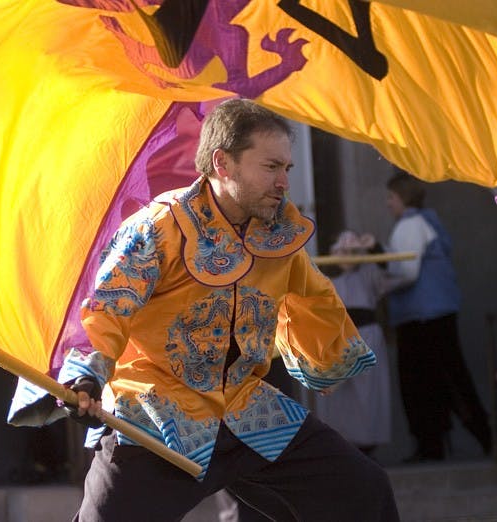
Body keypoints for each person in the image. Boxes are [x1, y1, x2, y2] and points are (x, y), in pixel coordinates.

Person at [63, 99, 399, 521]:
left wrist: (327, 359)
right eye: (271, 167)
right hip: (157, 415)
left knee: (363, 491)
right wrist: (87, 374)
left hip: (247, 411)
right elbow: (108, 305)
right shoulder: (158, 228)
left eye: (287, 170)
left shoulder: (278, 233)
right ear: (223, 164)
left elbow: (316, 296)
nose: (283, 183)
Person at [385, 171, 491, 462]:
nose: (387, 203)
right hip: (437, 312)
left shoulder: (409, 225)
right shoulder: (429, 222)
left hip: (421, 318)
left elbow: (406, 273)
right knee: (449, 378)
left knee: (420, 384)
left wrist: (378, 283)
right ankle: (479, 436)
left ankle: (433, 444)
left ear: (403, 197)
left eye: (391, 197)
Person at [314, 230, 401, 457]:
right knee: (337, 397)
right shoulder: (324, 278)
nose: (347, 256)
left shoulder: (368, 274)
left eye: (352, 252)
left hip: (366, 336)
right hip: (336, 336)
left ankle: (366, 447)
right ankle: (340, 446)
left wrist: (373, 248)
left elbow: (396, 270)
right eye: (342, 251)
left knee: (368, 394)